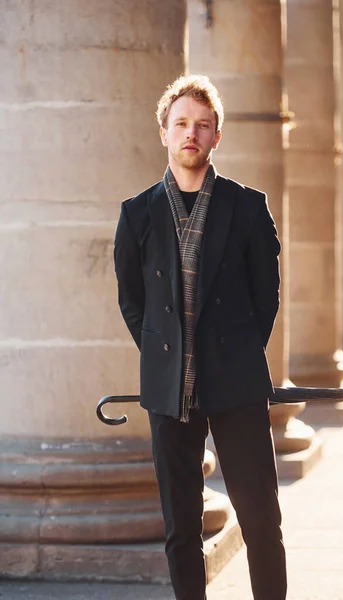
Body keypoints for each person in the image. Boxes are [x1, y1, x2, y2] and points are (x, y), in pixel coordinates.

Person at [114, 74, 287, 600]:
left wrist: (234, 350)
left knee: (261, 522)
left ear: (216, 137)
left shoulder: (248, 207)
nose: (191, 133)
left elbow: (267, 295)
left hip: (236, 380)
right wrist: (168, 356)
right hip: (170, 390)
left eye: (203, 125)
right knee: (181, 530)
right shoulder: (137, 213)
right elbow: (132, 302)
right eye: (181, 123)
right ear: (165, 132)